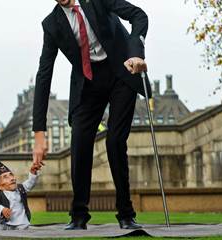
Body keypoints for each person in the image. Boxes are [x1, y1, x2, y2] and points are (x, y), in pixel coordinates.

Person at [32, 0, 152, 230]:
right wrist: (39, 134)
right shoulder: (51, 24)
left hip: (122, 71)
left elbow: (139, 15)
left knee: (115, 140)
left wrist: (136, 52)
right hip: (88, 83)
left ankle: (126, 213)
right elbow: (43, 75)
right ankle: (78, 215)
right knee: (79, 141)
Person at [0, 161, 41, 230]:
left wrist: (33, 172)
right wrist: (2, 209)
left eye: (11, 175)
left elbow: (30, 183)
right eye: (5, 177)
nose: (12, 178)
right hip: (4, 222)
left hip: (21, 221)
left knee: (23, 230)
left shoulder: (21, 188)